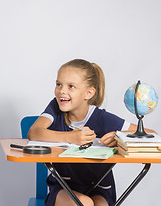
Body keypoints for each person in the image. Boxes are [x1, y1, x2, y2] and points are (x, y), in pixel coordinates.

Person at [28, 59, 155, 206]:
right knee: (83, 203)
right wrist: (71, 137)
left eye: (71, 86)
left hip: (100, 188)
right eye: (59, 84)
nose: (62, 90)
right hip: (63, 188)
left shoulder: (102, 119)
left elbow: (151, 134)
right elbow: (34, 132)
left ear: (89, 93)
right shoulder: (55, 108)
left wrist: (119, 138)